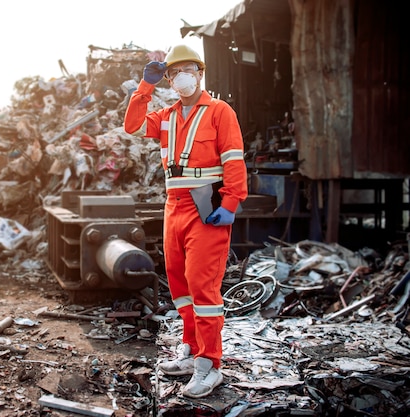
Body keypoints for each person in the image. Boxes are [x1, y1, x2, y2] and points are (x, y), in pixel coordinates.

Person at [123, 44, 248, 398]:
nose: (182, 77)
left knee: (202, 286)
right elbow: (132, 125)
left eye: (188, 69)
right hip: (173, 206)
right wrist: (143, 88)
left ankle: (211, 365)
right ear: (169, 78)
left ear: (200, 73)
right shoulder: (166, 116)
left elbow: (234, 159)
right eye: (174, 72)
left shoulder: (220, 112)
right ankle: (191, 350)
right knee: (180, 285)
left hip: (206, 207)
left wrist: (232, 202)